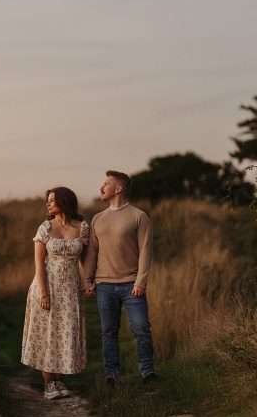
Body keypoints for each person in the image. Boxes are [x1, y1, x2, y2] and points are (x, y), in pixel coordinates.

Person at [82, 170, 156, 386]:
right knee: (108, 331)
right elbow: (93, 253)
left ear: (119, 188)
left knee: (141, 328)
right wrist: (87, 280)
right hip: (104, 284)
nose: (101, 188)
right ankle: (111, 374)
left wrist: (141, 282)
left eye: (106, 184)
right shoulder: (97, 218)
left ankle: (147, 372)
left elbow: (145, 251)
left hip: (132, 284)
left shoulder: (139, 216)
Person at [21, 187, 89, 400]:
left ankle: (59, 380)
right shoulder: (45, 228)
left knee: (65, 331)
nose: (48, 204)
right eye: (47, 201)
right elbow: (39, 264)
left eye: (53, 200)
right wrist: (44, 293)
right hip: (47, 285)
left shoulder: (82, 227)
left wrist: (88, 282)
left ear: (65, 201)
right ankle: (49, 383)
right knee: (48, 333)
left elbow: (84, 261)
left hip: (70, 288)